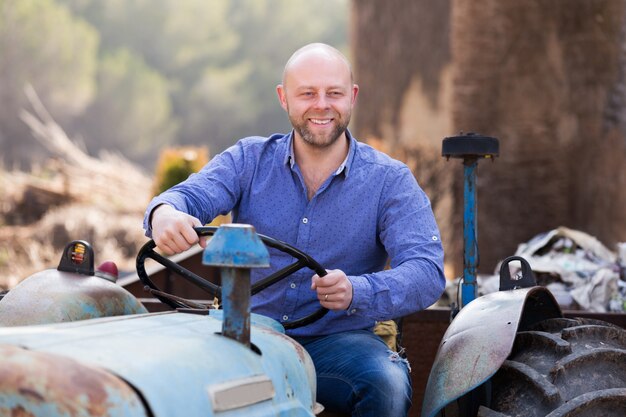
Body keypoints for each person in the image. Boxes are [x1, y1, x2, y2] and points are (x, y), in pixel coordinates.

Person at [143, 43, 445, 417]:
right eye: (307, 93)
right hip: (247, 333)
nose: (321, 105)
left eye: (333, 93)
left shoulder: (390, 181)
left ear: (351, 97)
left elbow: (426, 270)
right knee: (166, 379)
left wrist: (357, 290)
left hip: (336, 341)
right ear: (284, 98)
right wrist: (165, 213)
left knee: (386, 382)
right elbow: (189, 196)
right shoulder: (248, 160)